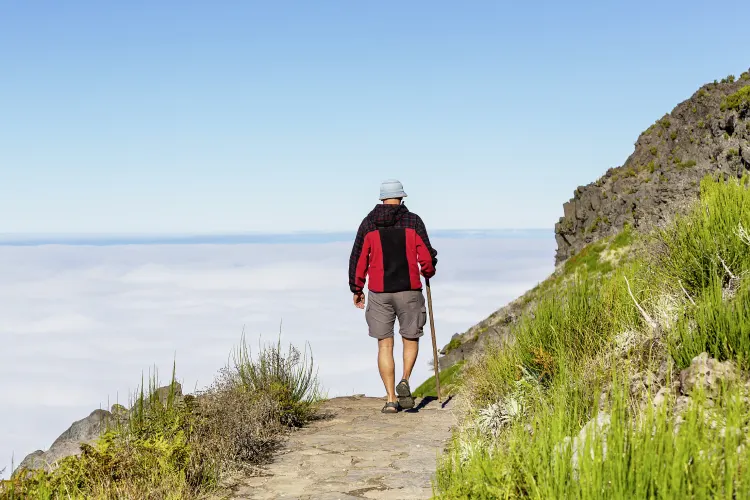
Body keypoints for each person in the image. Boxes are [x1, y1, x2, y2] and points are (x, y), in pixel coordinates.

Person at [348, 179, 438, 414]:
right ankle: (405, 380)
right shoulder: (413, 221)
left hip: (379, 293)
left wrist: (357, 289)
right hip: (409, 291)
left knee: (384, 345)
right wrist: (428, 271)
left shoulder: (369, 223)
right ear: (402, 198)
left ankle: (390, 400)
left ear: (381, 199)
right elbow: (426, 257)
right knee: (411, 338)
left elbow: (359, 259)